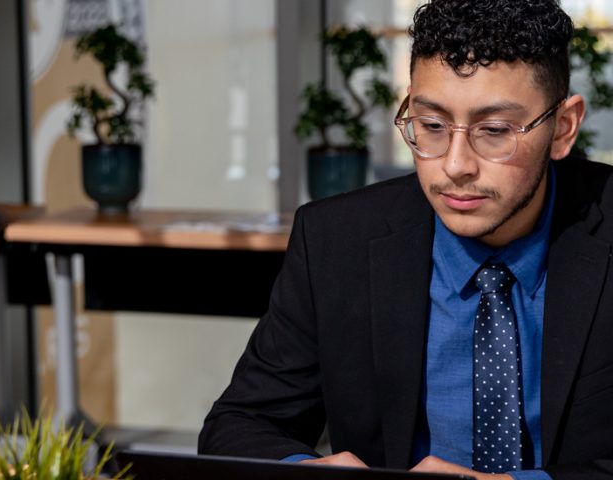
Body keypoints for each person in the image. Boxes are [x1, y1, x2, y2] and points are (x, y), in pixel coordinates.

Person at [199, 1, 613, 479]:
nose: (455, 165)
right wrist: (307, 468)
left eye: (495, 131)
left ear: (563, 128)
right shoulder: (338, 241)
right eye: (432, 126)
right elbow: (239, 425)